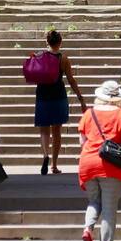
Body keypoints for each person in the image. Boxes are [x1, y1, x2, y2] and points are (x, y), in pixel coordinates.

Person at [78, 80, 121, 241]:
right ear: (118, 98)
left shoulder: (89, 113)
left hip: (87, 162)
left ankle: (87, 229)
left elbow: (82, 142)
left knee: (94, 200)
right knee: (109, 208)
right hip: (111, 165)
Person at [34, 29, 86, 175]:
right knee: (57, 132)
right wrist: (80, 98)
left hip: (43, 95)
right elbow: (71, 80)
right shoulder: (63, 59)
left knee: (44, 130)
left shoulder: (40, 56)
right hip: (58, 96)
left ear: (47, 42)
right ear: (60, 42)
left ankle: (45, 155)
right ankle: (54, 165)